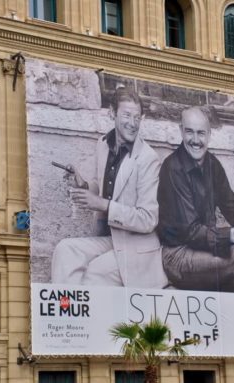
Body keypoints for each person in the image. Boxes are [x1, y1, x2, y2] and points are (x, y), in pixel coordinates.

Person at [51, 87, 168, 288]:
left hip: (137, 249)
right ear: (112, 113)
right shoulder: (103, 144)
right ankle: (68, 316)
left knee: (94, 273)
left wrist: (103, 205)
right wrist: (85, 185)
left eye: (137, 117)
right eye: (127, 115)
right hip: (111, 240)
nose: (133, 123)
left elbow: (148, 219)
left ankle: (82, 317)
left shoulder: (148, 159)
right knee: (64, 250)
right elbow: (104, 187)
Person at [157, 106, 234, 294]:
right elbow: (191, 232)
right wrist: (233, 236)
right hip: (178, 257)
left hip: (206, 252)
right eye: (190, 132)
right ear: (181, 131)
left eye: (201, 133)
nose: (196, 140)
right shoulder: (172, 168)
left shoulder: (212, 164)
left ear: (209, 135)